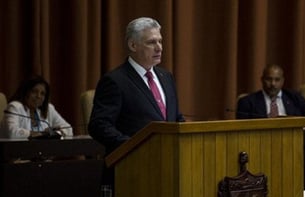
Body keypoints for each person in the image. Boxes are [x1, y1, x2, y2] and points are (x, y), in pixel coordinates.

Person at [88, 17, 185, 154]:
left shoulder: (167, 77)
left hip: (168, 161)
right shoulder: (115, 80)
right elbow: (99, 125)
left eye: (160, 41)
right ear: (133, 45)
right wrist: (133, 147)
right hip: (132, 164)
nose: (159, 48)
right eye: (151, 42)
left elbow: (175, 118)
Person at [236, 64, 305, 123]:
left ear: (282, 81)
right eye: (269, 79)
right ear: (262, 80)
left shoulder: (293, 97)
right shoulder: (247, 102)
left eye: (277, 80)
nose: (273, 84)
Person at [0, 75, 73, 139]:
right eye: (34, 91)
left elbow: (68, 129)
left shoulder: (48, 109)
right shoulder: (15, 107)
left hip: (44, 152)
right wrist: (41, 134)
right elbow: (11, 132)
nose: (38, 96)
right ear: (26, 92)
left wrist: (56, 133)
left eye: (42, 93)